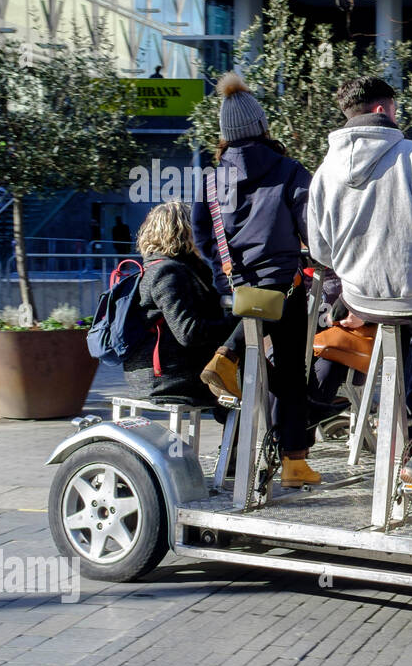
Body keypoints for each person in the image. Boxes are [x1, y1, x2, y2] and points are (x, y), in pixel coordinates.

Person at [307, 76, 412, 514]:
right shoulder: (411, 156)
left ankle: (391, 443)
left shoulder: (325, 170)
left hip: (361, 298)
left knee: (404, 360)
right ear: (383, 110)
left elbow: (320, 249)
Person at [192, 72, 317, 488]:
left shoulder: (211, 179)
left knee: (255, 368)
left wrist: (223, 274)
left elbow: (203, 235)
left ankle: (227, 357)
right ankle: (294, 462)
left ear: (225, 134)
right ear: (263, 126)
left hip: (238, 290)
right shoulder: (289, 170)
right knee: (291, 375)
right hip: (285, 287)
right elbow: (311, 227)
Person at [123, 202, 234, 406]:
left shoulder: (161, 268)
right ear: (184, 234)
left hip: (164, 373)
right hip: (169, 378)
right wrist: (237, 321)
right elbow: (189, 332)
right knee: (251, 382)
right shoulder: (167, 272)